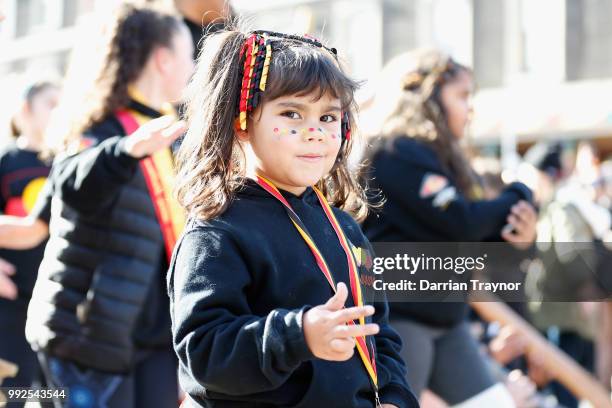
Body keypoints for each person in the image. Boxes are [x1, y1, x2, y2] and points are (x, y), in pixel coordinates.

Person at [169, 28, 418, 408]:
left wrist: (394, 397)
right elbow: (203, 352)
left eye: (329, 117)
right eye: (291, 114)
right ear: (242, 121)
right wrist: (298, 335)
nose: (315, 132)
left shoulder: (346, 229)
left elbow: (378, 331)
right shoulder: (217, 229)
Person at [14, 4, 193, 407]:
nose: (193, 66)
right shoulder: (102, 128)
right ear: (164, 60)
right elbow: (72, 184)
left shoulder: (173, 130)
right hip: (87, 340)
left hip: (152, 338)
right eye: (189, 56)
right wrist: (126, 151)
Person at [360, 49, 537, 406]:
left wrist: (523, 233)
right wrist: (521, 193)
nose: (470, 108)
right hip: (404, 316)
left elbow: (480, 234)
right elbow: (461, 220)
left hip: (446, 316)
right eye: (462, 95)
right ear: (427, 95)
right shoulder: (396, 151)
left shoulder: (437, 156)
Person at [0, 80, 59, 405]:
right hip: (11, 301)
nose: (58, 111)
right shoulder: (7, 163)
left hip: (56, 300)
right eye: (51, 104)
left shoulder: (66, 161)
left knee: (52, 393)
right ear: (26, 110)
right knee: (13, 393)